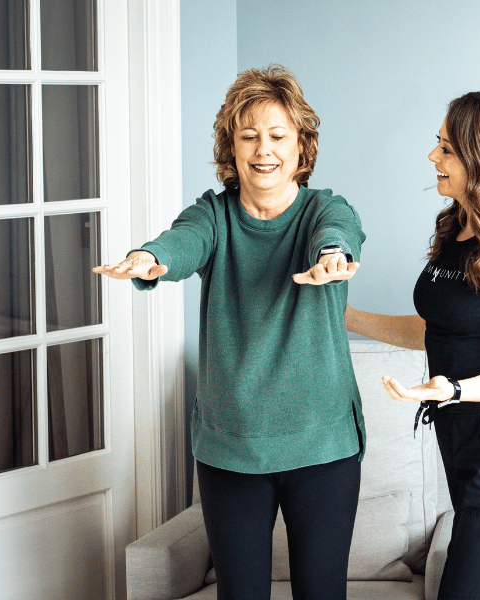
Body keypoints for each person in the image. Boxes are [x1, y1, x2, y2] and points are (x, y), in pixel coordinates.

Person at [94, 64, 366, 600]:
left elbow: (337, 234)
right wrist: (150, 258)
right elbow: (182, 241)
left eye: (277, 135)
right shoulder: (213, 215)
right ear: (232, 148)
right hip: (230, 450)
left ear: (301, 146)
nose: (263, 149)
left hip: (323, 446)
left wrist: (333, 257)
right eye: (249, 136)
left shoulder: (325, 211)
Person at [346, 90, 480, 600]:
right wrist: (343, 316)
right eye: (437, 144)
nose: (432, 157)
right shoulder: (456, 228)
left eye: (446, 148)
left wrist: (453, 389)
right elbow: (433, 329)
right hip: (463, 446)